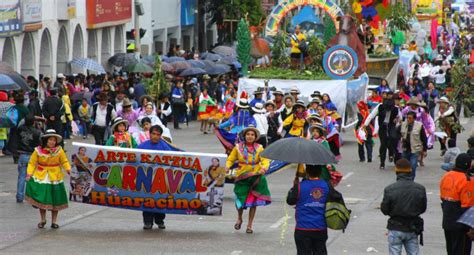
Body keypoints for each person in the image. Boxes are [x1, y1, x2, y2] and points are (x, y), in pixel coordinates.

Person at [286, 164, 343, 255]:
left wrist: (294, 186)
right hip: (320, 228)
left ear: (307, 172)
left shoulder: (300, 186)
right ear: (320, 172)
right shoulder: (327, 185)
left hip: (302, 228)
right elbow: (336, 198)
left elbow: (290, 201)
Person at [225, 126, 271, 234]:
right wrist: (227, 166)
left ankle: (250, 224)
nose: (250, 136)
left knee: (254, 202)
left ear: (255, 137)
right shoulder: (237, 148)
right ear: (244, 136)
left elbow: (265, 160)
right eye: (248, 134)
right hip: (242, 176)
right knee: (240, 199)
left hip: (256, 176)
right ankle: (239, 218)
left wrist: (264, 168)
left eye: (252, 135)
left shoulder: (259, 148)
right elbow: (230, 159)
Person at [25, 129, 71, 229]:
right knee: (43, 199)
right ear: (46, 140)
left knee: (56, 199)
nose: (52, 142)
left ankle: (54, 221)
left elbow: (64, 161)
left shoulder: (59, 150)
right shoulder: (38, 151)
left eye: (54, 140)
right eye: (50, 139)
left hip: (55, 177)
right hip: (42, 176)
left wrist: (68, 169)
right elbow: (32, 163)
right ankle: (43, 219)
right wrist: (29, 174)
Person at [138, 125, 181, 229]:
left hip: (161, 179)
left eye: (158, 134)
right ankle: (147, 222)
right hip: (146, 178)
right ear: (149, 134)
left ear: (160, 136)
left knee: (160, 200)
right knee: (147, 200)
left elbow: (176, 156)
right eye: (153, 134)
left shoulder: (165, 146)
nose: (155, 136)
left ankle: (159, 220)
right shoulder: (142, 146)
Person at [381, 158, 427, 255]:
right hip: (412, 227)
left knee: (394, 251)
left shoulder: (390, 189)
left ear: (396, 171)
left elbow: (385, 210)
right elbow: (423, 208)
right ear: (410, 171)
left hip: (395, 226)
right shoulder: (420, 189)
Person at [440, 153, 474, 255]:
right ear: (468, 165)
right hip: (461, 225)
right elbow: (467, 205)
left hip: (447, 221)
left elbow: (443, 198)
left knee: (451, 251)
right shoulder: (467, 180)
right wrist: (471, 228)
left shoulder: (446, 176)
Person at [16, 115, 42, 203]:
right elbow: (41, 142)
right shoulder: (37, 132)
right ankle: (32, 196)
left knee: (22, 176)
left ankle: (19, 196)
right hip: (33, 155)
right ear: (33, 122)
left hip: (22, 154)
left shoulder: (20, 129)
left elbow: (20, 123)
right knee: (33, 177)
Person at [400, 112, 427, 180]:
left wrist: (424, 150)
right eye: (407, 118)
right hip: (405, 149)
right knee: (404, 167)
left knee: (413, 166)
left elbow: (424, 138)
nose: (408, 120)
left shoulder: (419, 126)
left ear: (414, 119)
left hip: (415, 150)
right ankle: (404, 180)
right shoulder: (403, 124)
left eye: (410, 118)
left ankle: (411, 180)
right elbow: (397, 133)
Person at [7, 93, 31, 163]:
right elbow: (28, 117)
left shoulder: (13, 108)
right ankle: (21, 155)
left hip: (14, 127)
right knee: (22, 141)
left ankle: (15, 156)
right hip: (23, 127)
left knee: (14, 141)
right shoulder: (25, 109)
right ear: (23, 101)